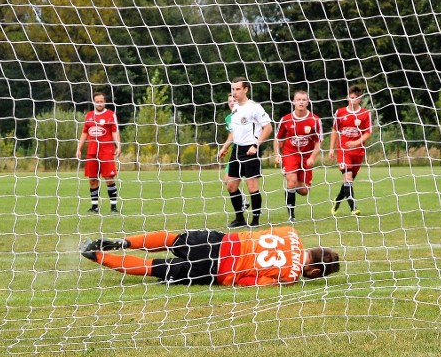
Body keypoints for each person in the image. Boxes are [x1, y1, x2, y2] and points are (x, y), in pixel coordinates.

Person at [80, 225, 340, 286]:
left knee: (172, 239)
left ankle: (123, 241)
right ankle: (97, 257)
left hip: (220, 240)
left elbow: (258, 233)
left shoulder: (291, 233)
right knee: (153, 267)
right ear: (315, 272)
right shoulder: (292, 275)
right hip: (216, 268)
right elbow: (247, 281)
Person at [217, 77, 272, 228]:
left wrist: (256, 145)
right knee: (231, 186)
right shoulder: (235, 108)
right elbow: (235, 132)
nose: (235, 92)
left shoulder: (254, 107)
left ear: (246, 89)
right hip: (237, 150)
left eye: (238, 89)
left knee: (252, 186)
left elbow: (268, 128)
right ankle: (239, 219)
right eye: (233, 89)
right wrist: (225, 147)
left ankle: (255, 221)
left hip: (250, 150)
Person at [274, 90, 323, 223]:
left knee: (303, 190)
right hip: (290, 154)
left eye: (304, 100)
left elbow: (319, 141)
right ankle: (291, 215)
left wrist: (313, 157)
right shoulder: (286, 119)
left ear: (307, 102)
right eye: (299, 99)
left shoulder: (315, 120)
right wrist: (277, 154)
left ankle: (292, 187)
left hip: (306, 156)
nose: (301, 102)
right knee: (291, 181)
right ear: (294, 101)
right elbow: (278, 139)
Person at [328, 86, 373, 216]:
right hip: (343, 151)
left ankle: (337, 200)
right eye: (351, 97)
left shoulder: (365, 114)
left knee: (349, 181)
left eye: (356, 98)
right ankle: (353, 208)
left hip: (358, 152)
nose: (353, 100)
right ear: (347, 98)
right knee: (347, 178)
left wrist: (356, 143)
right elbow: (335, 130)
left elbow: (368, 133)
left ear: (360, 100)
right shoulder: (340, 112)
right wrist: (331, 148)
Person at [76, 92, 121, 214]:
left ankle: (114, 208)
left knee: (109, 179)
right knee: (92, 179)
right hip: (92, 152)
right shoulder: (89, 115)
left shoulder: (110, 115)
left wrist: (118, 146)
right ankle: (94, 207)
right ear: (94, 102)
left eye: (101, 101)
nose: (99, 103)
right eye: (97, 101)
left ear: (104, 102)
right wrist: (79, 148)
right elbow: (84, 132)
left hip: (106, 152)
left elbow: (114, 131)